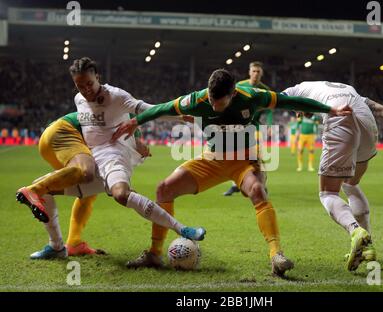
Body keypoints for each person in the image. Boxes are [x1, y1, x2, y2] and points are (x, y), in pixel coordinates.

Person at [112, 69, 352, 276]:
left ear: (233, 94)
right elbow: (163, 108)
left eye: (220, 102)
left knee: (257, 190)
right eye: (211, 100)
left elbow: (290, 102)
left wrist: (329, 109)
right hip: (212, 160)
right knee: (164, 188)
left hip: (244, 161)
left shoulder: (252, 96)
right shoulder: (197, 99)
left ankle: (276, 255)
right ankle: (154, 254)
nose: (214, 105)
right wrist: (135, 122)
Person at [282, 81, 383, 271]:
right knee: (350, 184)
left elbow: (269, 99)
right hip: (367, 124)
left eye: (296, 111)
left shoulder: (295, 90)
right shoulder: (346, 89)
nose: (298, 114)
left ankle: (355, 230)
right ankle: (367, 247)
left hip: (340, 118)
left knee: (327, 194)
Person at [70, 57, 206, 247]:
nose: (86, 90)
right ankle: (56, 245)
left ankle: (181, 228)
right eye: (80, 86)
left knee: (121, 194)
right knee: (42, 189)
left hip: (113, 154)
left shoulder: (116, 96)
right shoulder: (78, 99)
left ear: (98, 77)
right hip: (89, 158)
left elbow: (148, 110)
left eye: (89, 84)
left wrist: (182, 118)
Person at [18, 111, 149, 259]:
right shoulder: (129, 120)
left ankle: (67, 244)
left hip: (54, 136)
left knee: (86, 189)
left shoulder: (114, 110)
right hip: (64, 132)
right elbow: (134, 147)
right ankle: (33, 191)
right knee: (85, 172)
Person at [223, 61, 272, 196]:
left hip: (255, 126)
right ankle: (235, 185)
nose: (256, 74)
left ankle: (262, 185)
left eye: (258, 71)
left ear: (261, 74)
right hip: (239, 126)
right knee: (235, 156)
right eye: (254, 71)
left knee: (258, 157)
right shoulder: (239, 86)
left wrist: (269, 125)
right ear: (249, 72)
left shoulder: (265, 89)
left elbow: (270, 110)